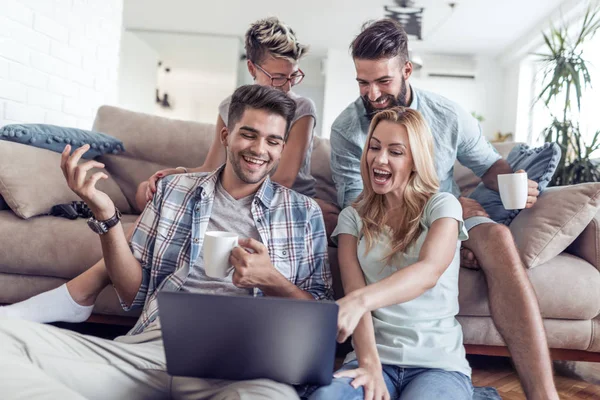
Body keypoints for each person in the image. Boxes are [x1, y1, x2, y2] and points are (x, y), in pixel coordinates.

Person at [0, 84, 333, 399]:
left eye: (273, 141)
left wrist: (272, 280)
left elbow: (321, 322)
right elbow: (132, 293)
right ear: (226, 136)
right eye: (249, 134)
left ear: (283, 148)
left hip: (248, 365)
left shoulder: (303, 213)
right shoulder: (174, 191)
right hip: (154, 350)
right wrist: (106, 215)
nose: (260, 149)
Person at [0, 16, 338, 324]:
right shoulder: (232, 107)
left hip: (291, 193)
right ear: (252, 67)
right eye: (276, 76)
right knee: (165, 208)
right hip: (229, 188)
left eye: (293, 76)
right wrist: (175, 176)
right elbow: (212, 166)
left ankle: (79, 294)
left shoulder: (299, 108)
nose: (285, 85)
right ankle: (79, 295)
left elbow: (283, 177)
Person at [329, 19, 558, 400]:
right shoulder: (346, 129)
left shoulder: (447, 114)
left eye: (382, 81)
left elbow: (489, 166)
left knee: (498, 237)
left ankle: (544, 393)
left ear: (406, 70)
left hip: (444, 208)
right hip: (381, 211)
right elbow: (360, 201)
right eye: (362, 82)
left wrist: (514, 183)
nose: (372, 93)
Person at [306, 107, 472, 399]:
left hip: (437, 365)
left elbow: (428, 272)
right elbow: (355, 290)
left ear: (415, 161)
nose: (379, 159)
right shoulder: (352, 218)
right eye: (374, 147)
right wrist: (369, 365)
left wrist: (358, 301)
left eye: (395, 152)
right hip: (372, 358)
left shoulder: (443, 207)